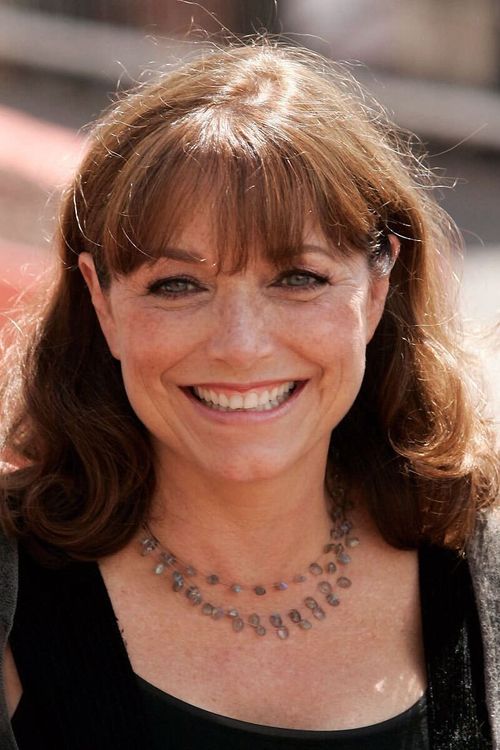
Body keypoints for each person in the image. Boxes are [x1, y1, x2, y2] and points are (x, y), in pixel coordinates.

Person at [0, 41, 499, 750]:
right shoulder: (11, 593)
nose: (240, 345)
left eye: (298, 279)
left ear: (376, 289)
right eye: (177, 285)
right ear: (101, 302)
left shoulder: (481, 572)